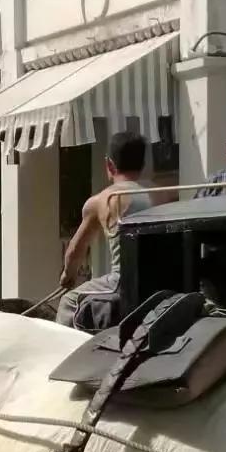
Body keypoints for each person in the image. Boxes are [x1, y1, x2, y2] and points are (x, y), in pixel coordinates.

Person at [56, 132, 158, 332]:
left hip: (122, 283)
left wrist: (68, 276)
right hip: (155, 282)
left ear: (109, 165)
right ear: (142, 165)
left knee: (68, 302)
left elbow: (75, 251)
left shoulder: (101, 200)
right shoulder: (153, 196)